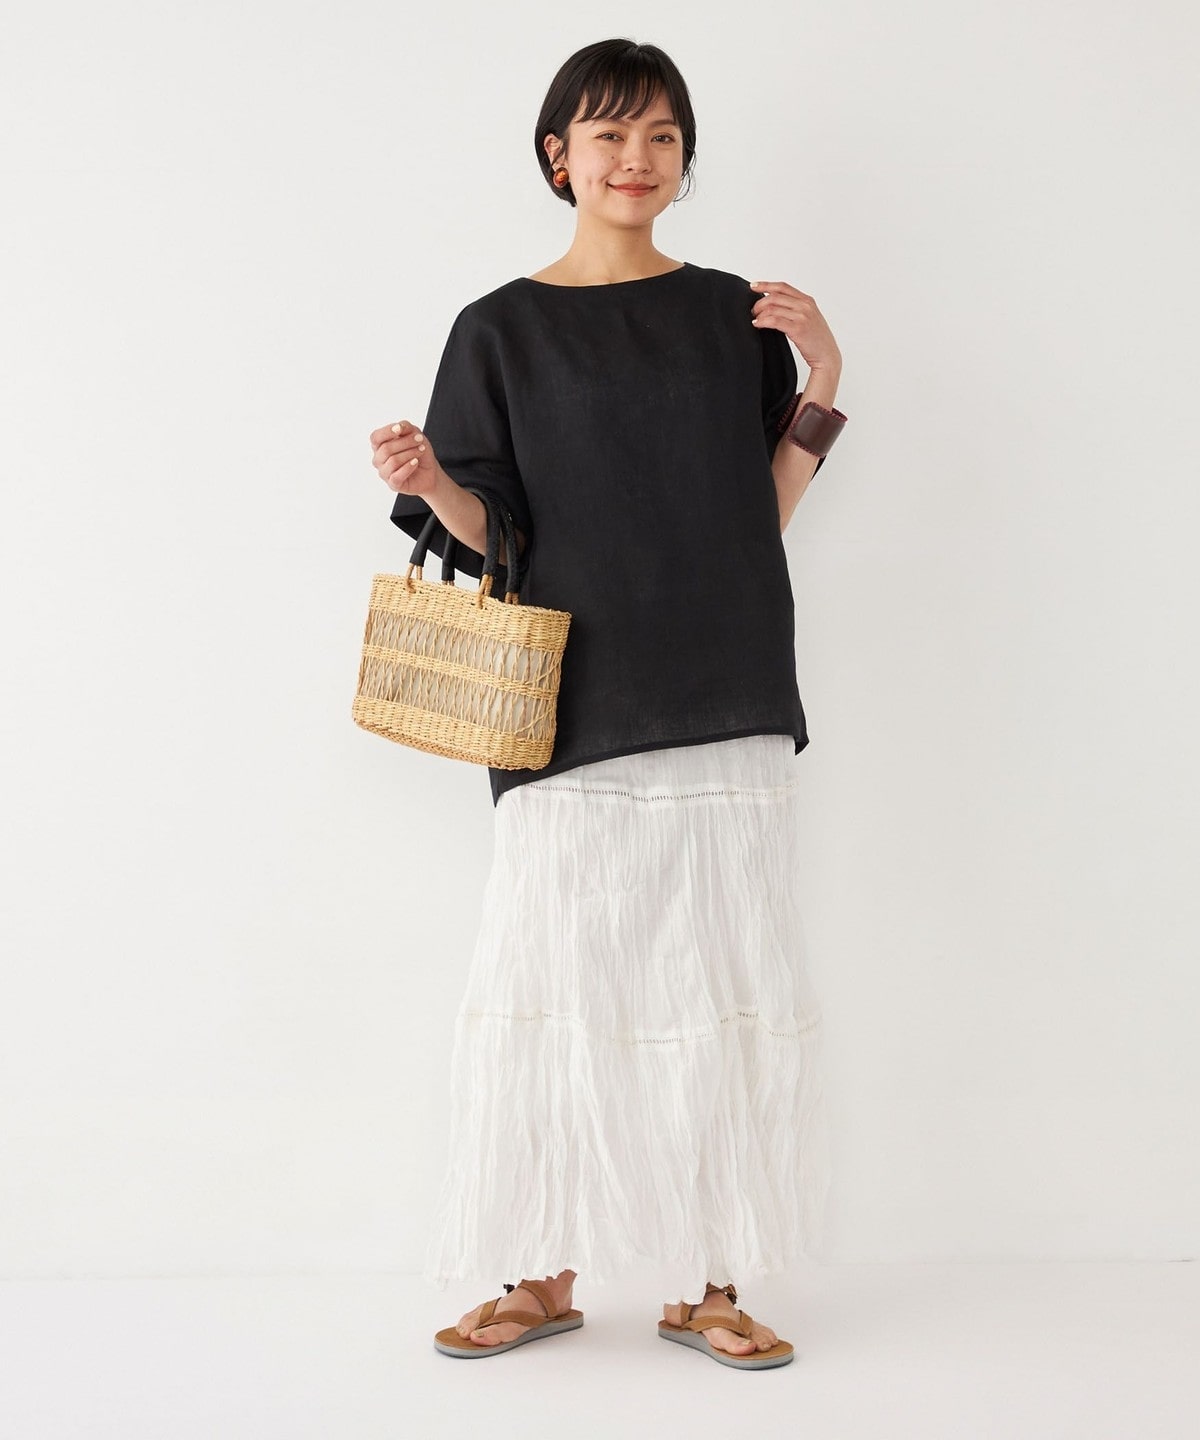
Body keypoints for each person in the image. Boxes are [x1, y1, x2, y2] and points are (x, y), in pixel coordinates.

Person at [368, 37, 846, 1370]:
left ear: (684, 162)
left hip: (723, 678)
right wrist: (433, 481)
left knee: (721, 974)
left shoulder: (731, 317)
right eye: (610, 134)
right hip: (567, 697)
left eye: (662, 138)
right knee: (554, 977)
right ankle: (538, 1274)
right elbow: (494, 539)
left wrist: (821, 380)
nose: (636, 160)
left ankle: (714, 1281)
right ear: (557, 155)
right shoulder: (498, 329)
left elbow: (761, 513)